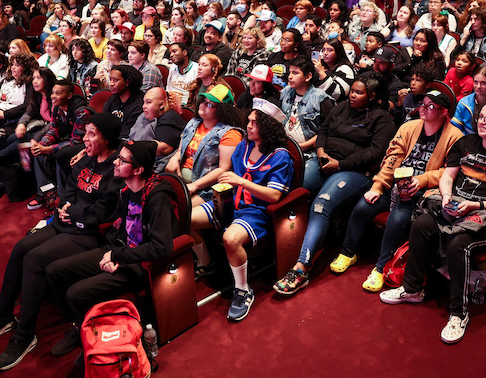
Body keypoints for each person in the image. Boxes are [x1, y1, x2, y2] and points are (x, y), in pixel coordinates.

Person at [0, 114, 123, 372]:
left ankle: (26, 333)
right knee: (21, 248)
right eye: (85, 132)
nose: (85, 138)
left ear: (107, 138)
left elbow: (102, 213)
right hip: (66, 222)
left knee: (35, 258)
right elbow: (71, 186)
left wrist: (70, 213)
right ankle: (3, 315)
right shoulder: (87, 156)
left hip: (89, 234)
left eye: (92, 134)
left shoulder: (116, 168)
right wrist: (64, 205)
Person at [380, 98, 486, 345]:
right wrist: (447, 198)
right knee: (421, 225)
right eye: (480, 117)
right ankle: (412, 289)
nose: (482, 121)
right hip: (456, 209)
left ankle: (458, 313)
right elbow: (448, 176)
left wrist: (476, 205)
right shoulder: (466, 143)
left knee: (458, 243)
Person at [45, 141, 177, 367]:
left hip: (140, 264)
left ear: (138, 170)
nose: (115, 162)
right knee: (55, 271)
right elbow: (120, 228)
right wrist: (115, 252)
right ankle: (82, 325)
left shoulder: (157, 198)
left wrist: (119, 256)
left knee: (76, 293)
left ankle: (92, 330)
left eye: (122, 160)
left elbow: (161, 247)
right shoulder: (125, 189)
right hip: (119, 252)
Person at [330, 89, 463, 293]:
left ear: (444, 112)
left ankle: (381, 268)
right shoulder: (409, 127)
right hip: (395, 185)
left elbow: (449, 171)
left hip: (421, 191)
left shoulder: (455, 137)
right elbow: (393, 159)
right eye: (423, 104)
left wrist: (422, 180)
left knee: (397, 219)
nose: (423, 109)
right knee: (363, 207)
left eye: (430, 106)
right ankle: (348, 252)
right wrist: (378, 185)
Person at [273, 75, 395, 295]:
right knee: (293, 191)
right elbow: (324, 132)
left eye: (359, 93)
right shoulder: (340, 108)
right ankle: (279, 248)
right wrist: (320, 152)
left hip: (355, 172)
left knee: (321, 205)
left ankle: (301, 268)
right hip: (324, 161)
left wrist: (340, 164)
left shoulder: (382, 119)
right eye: (352, 91)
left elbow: (375, 154)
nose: (352, 96)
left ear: (372, 96)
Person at [190, 100, 294, 320]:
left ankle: (243, 290)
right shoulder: (243, 146)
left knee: (230, 238)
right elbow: (229, 176)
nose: (248, 126)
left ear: (267, 127)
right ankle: (206, 264)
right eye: (248, 121)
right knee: (187, 219)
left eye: (254, 123)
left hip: (256, 212)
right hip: (230, 202)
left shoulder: (281, 156)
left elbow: (275, 195)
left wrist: (240, 181)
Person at [165, 85, 244, 210]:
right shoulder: (194, 123)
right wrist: (175, 158)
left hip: (206, 187)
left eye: (210, 105)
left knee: (177, 210)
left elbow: (223, 169)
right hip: (180, 179)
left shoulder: (230, 134)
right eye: (204, 101)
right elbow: (180, 150)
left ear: (222, 111)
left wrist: (195, 185)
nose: (203, 105)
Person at [28, 80, 92, 210]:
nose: (53, 96)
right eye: (52, 93)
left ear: (69, 96)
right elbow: (53, 130)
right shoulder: (57, 107)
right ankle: (45, 193)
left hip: (84, 145)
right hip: (67, 141)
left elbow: (77, 141)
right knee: (39, 153)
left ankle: (62, 198)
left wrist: (48, 149)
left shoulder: (81, 112)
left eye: (58, 93)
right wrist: (41, 145)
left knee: (61, 155)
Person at [280, 56, 335, 163]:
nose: (290, 77)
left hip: (309, 152)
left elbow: (326, 131)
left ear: (308, 76)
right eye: (290, 72)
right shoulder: (286, 92)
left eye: (295, 73)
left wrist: (300, 146)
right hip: (284, 147)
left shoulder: (320, 99)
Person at [451, 63, 486, 135]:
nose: (478, 86)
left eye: (483, 83)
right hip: (468, 140)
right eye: (476, 82)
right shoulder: (464, 103)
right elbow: (455, 129)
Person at [101, 65, 144, 139]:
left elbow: (126, 134)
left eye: (115, 80)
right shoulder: (112, 99)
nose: (111, 83)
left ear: (127, 82)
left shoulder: (139, 104)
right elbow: (102, 123)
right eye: (110, 79)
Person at [314, 37, 356, 102]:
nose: (325, 53)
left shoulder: (345, 69)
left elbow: (337, 93)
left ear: (338, 52)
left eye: (330, 50)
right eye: (323, 50)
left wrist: (321, 72)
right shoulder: (320, 65)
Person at [165, 43, 199, 107]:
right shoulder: (173, 67)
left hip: (187, 106)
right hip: (171, 104)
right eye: (170, 53)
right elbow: (168, 88)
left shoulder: (197, 68)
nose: (171, 55)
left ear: (184, 52)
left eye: (174, 51)